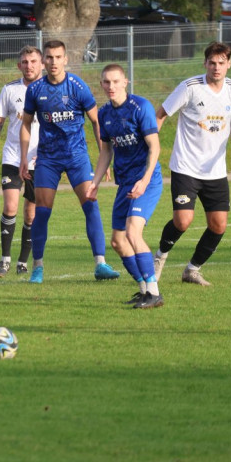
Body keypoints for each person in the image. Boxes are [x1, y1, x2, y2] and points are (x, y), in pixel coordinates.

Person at [18, 40, 120, 284]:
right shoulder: (35, 90)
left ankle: (101, 264)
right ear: (44, 61)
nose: (53, 62)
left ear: (66, 59)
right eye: (49, 57)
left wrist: (102, 157)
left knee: (90, 205)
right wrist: (23, 158)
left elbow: (96, 121)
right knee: (41, 211)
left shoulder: (77, 86)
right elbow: (26, 124)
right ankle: (38, 268)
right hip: (48, 159)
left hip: (76, 157)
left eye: (58, 57)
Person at [153, 41, 231, 287]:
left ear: (229, 64)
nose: (216, 68)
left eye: (221, 63)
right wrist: (151, 149)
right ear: (205, 63)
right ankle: (160, 258)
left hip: (216, 171)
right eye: (212, 63)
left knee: (218, 226)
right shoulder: (190, 88)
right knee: (183, 221)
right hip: (185, 167)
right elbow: (160, 114)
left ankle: (192, 270)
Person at [87, 64, 165, 309]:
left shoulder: (141, 107)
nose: (111, 86)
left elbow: (155, 146)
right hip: (124, 183)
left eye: (115, 81)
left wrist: (144, 180)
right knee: (118, 242)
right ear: (101, 85)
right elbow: (106, 150)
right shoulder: (104, 114)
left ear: (125, 82)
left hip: (147, 180)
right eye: (106, 82)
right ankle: (144, 290)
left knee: (133, 233)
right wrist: (95, 182)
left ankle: (154, 292)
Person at [0, 46, 42, 277]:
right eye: (25, 62)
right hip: (13, 156)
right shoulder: (10, 90)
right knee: (10, 207)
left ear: (41, 64)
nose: (29, 65)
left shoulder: (48, 91)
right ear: (19, 66)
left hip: (38, 159)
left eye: (33, 61)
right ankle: (4, 260)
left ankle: (23, 261)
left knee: (31, 214)